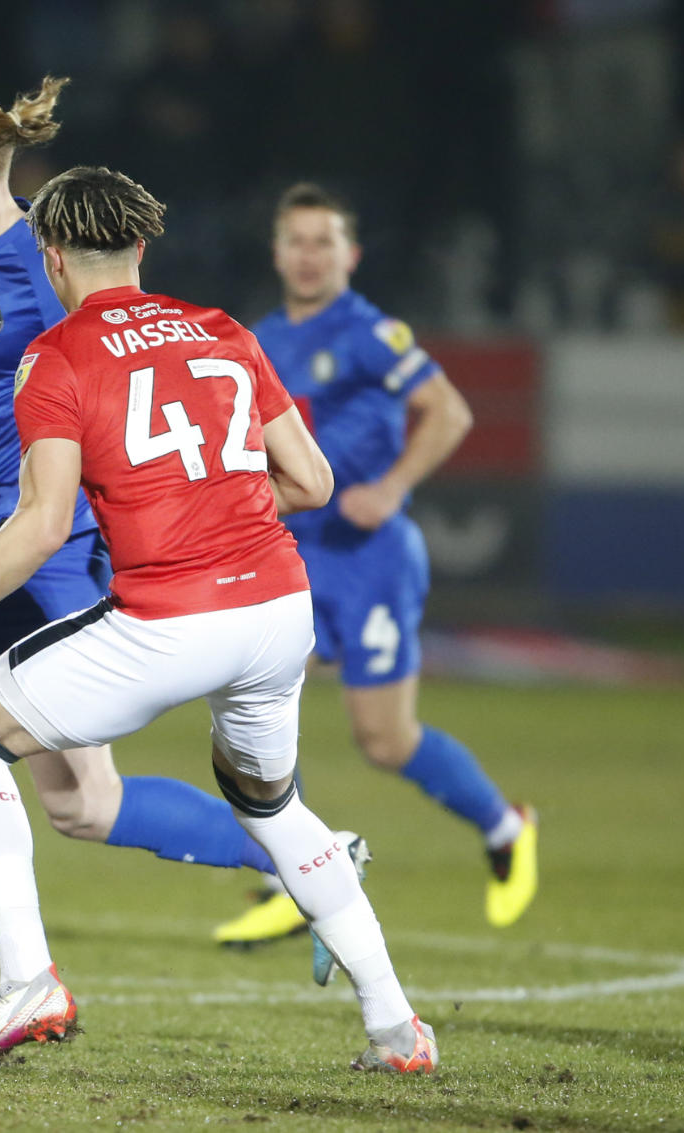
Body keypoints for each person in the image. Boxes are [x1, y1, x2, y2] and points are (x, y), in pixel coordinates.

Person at [0, 165, 435, 1072]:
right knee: (273, 806)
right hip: (281, 612)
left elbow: (41, 523)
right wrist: (223, 510)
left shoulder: (57, 356)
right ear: (140, 246)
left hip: (172, 618)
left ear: (50, 256)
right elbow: (315, 482)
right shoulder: (224, 330)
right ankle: (398, 1028)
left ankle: (26, 981)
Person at [0, 79, 298, 1030]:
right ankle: (304, 852)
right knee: (67, 797)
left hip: (46, 545)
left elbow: (116, 390)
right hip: (16, 539)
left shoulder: (44, 276)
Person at [214, 183, 538, 949]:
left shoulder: (370, 332)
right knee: (240, 701)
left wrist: (391, 487)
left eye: (324, 241)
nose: (309, 254)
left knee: (384, 740)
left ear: (349, 254)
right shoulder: (254, 337)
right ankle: (288, 878)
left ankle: (505, 827)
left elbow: (450, 411)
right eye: (296, 240)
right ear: (277, 251)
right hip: (292, 551)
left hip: (371, 560)